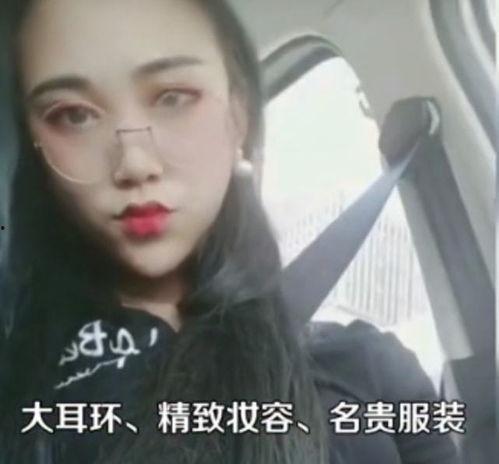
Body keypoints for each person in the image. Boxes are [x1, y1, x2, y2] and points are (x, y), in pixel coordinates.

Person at [0, 1, 459, 463]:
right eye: (73, 115)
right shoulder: (24, 396)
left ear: (239, 120)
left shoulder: (366, 369)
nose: (134, 161)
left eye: (173, 97)